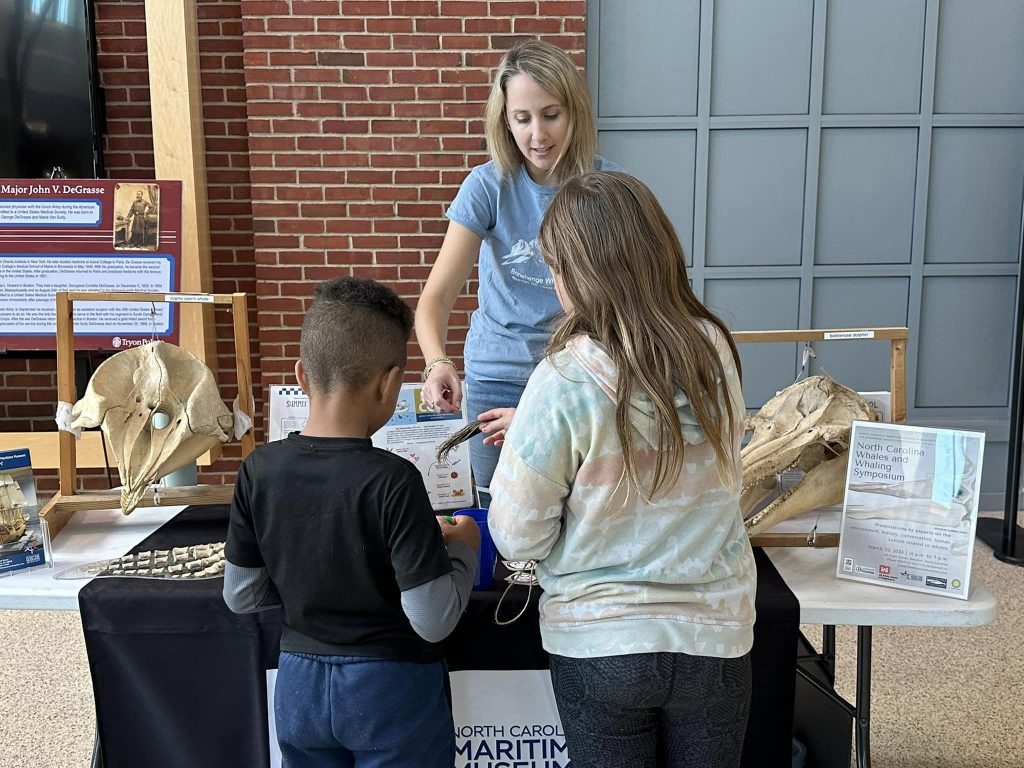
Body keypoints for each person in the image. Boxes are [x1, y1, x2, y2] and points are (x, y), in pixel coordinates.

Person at [488, 172, 758, 768]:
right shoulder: (714, 349)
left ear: (576, 276)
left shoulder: (561, 380)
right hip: (715, 633)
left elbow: (516, 535)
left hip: (598, 638)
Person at [223, 276, 480, 768]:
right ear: (389, 383)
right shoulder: (393, 480)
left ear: (301, 374)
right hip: (391, 688)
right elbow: (432, 620)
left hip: (298, 684)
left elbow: (241, 595)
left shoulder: (258, 468)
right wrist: (462, 546)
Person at [415, 38, 621, 505]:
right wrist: (437, 363)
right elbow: (436, 299)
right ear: (504, 120)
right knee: (501, 510)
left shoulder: (608, 188)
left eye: (551, 115)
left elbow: (627, 300)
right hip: (497, 372)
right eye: (522, 118)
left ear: (574, 112)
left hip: (579, 375)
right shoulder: (488, 186)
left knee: (578, 509)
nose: (538, 135)